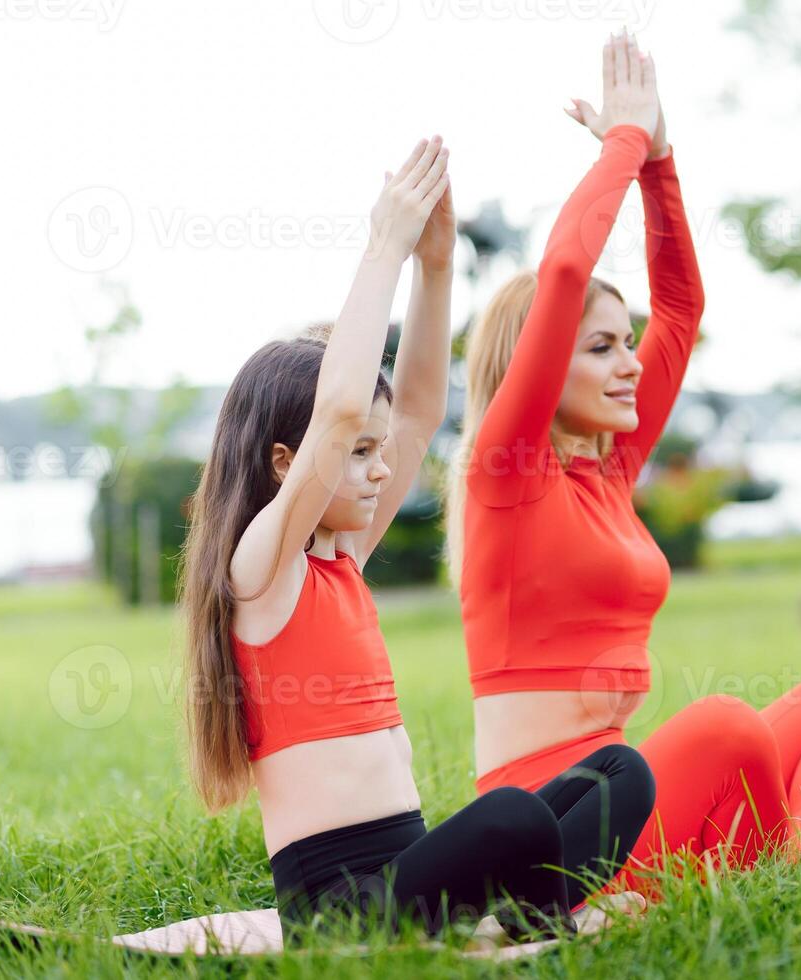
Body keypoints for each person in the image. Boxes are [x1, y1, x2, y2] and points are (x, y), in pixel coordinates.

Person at [177, 135, 654, 945]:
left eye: (377, 452)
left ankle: (512, 919)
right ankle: (532, 921)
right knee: (509, 818)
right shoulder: (263, 572)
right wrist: (383, 247)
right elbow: (335, 412)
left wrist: (436, 267)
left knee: (620, 774)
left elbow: (424, 407)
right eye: (357, 454)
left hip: (411, 869)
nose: (376, 470)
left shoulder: (341, 563)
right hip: (339, 908)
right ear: (290, 464)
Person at [446, 32, 801, 890]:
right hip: (559, 826)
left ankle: (796, 871)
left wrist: (663, 159)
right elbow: (567, 266)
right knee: (727, 727)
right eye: (602, 348)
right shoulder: (504, 475)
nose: (629, 364)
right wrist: (622, 142)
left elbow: (681, 307)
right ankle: (790, 870)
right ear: (540, 367)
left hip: (634, 787)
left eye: (625, 345)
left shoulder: (608, 473)